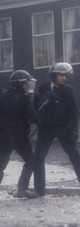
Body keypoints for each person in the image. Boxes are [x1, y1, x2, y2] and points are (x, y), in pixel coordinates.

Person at [33, 62, 80, 197]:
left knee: (74, 153)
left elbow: (74, 113)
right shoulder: (43, 88)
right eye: (61, 75)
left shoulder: (68, 91)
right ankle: (39, 189)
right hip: (46, 129)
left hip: (63, 127)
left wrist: (75, 130)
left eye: (65, 75)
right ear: (53, 76)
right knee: (39, 157)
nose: (64, 78)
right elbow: (36, 107)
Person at [0, 70, 39, 199]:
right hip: (18, 135)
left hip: (3, 135)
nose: (28, 86)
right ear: (20, 84)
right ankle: (22, 188)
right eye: (26, 84)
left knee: (1, 163)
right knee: (30, 161)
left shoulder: (3, 95)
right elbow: (34, 117)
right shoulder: (24, 98)